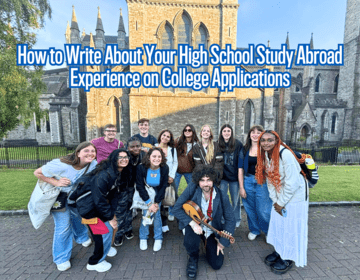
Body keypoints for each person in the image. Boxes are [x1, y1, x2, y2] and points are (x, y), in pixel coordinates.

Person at [33, 142, 97, 271]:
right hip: (58, 197)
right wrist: (56, 181)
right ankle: (61, 258)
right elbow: (37, 172)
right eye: (86, 151)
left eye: (93, 151)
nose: (90, 153)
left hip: (75, 197)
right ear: (78, 153)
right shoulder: (61, 165)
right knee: (63, 226)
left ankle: (81, 237)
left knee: (77, 217)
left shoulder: (93, 164)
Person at [255, 130, 309, 274]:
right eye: (263, 140)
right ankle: (280, 251)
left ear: (277, 141)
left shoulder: (285, 155)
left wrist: (281, 203)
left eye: (270, 140)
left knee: (290, 226)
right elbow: (270, 181)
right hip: (280, 196)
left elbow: (293, 183)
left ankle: (288, 257)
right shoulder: (266, 155)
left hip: (295, 198)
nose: (266, 143)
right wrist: (275, 201)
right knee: (279, 225)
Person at [72, 148, 133, 272]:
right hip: (90, 209)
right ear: (113, 159)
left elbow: (112, 196)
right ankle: (95, 261)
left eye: (126, 157)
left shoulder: (117, 172)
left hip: (98, 207)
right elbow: (99, 199)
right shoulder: (104, 174)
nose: (124, 159)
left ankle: (105, 249)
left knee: (105, 232)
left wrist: (112, 215)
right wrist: (110, 217)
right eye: (120, 157)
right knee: (104, 232)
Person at [172, 166, 235, 279]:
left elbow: (231, 219)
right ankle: (193, 257)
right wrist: (192, 223)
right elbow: (176, 208)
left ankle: (207, 243)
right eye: (202, 180)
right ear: (198, 181)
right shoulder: (192, 188)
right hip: (194, 225)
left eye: (209, 180)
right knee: (191, 242)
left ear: (214, 180)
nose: (206, 184)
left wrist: (222, 242)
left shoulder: (221, 195)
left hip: (211, 229)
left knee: (216, 264)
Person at [238, 125, 272, 241]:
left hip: (262, 182)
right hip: (248, 181)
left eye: (258, 132)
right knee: (250, 208)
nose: (255, 134)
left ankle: (268, 231)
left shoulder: (266, 149)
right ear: (249, 135)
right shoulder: (244, 149)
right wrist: (241, 187)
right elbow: (240, 169)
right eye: (253, 132)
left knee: (263, 210)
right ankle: (254, 230)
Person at [113, 136, 145, 246]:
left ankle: (128, 229)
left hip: (132, 187)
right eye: (132, 147)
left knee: (130, 210)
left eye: (138, 146)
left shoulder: (142, 156)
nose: (135, 148)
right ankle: (118, 234)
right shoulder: (123, 156)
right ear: (127, 147)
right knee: (120, 212)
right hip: (120, 188)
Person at [136, 147, 169, 252]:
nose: (157, 158)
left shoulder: (164, 168)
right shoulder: (141, 168)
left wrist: (156, 203)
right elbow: (140, 186)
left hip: (157, 195)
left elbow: (163, 186)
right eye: (154, 156)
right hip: (145, 194)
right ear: (149, 157)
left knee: (157, 214)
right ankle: (143, 237)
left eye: (159, 156)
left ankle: (158, 238)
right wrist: (149, 203)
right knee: (147, 212)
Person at [171, 124, 199, 221]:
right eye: (185, 130)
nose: (187, 131)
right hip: (177, 171)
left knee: (192, 192)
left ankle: (191, 209)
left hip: (190, 171)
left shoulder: (196, 144)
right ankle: (172, 211)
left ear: (193, 131)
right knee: (172, 192)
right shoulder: (178, 141)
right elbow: (169, 148)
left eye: (189, 130)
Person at [218, 124, 243, 228]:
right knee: (222, 198)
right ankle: (224, 218)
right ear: (221, 133)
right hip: (223, 178)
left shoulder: (237, 144)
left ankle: (236, 218)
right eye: (224, 131)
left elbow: (240, 162)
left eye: (228, 131)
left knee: (235, 200)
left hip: (234, 178)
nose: (226, 133)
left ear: (231, 132)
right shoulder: (218, 144)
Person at [155, 129, 178, 229]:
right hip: (156, 178)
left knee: (173, 197)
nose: (165, 137)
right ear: (160, 136)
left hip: (168, 178)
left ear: (170, 139)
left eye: (168, 137)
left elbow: (175, 163)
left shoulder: (172, 150)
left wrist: (172, 176)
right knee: (158, 200)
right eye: (164, 135)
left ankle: (178, 220)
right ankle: (163, 223)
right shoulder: (154, 147)